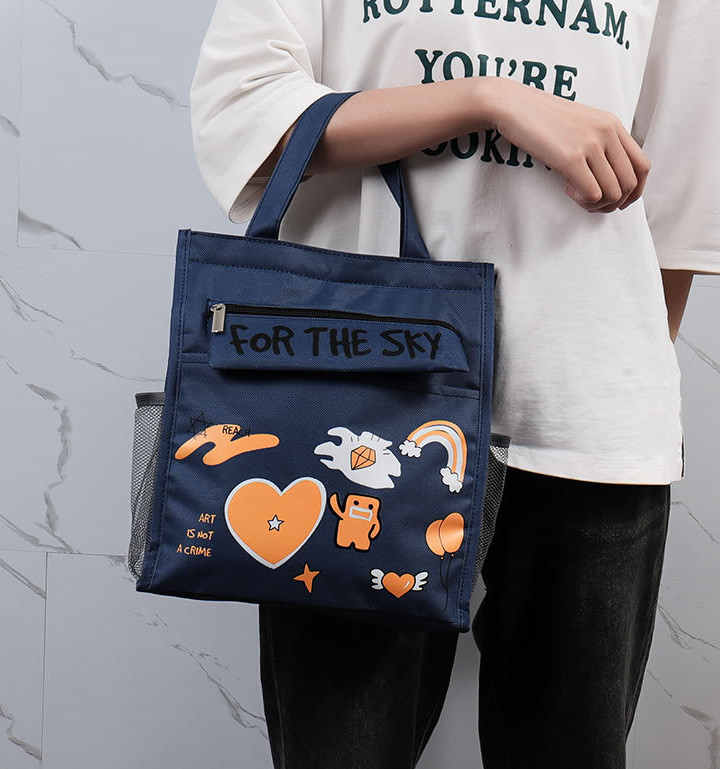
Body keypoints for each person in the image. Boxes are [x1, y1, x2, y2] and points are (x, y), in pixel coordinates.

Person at [188, 2, 720, 767]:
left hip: (592, 414)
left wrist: (623, 368)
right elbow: (243, 113)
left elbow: (679, 200)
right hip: (362, 406)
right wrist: (488, 99)